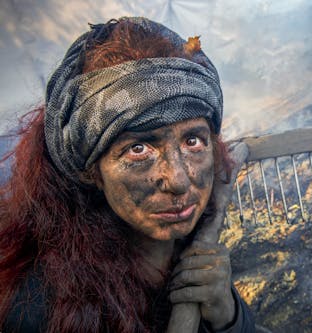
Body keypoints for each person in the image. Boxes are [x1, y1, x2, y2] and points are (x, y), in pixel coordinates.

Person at [0, 17, 255, 332]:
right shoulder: (35, 310)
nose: (178, 180)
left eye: (192, 141)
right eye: (138, 150)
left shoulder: (192, 253)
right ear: (92, 170)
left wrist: (227, 317)